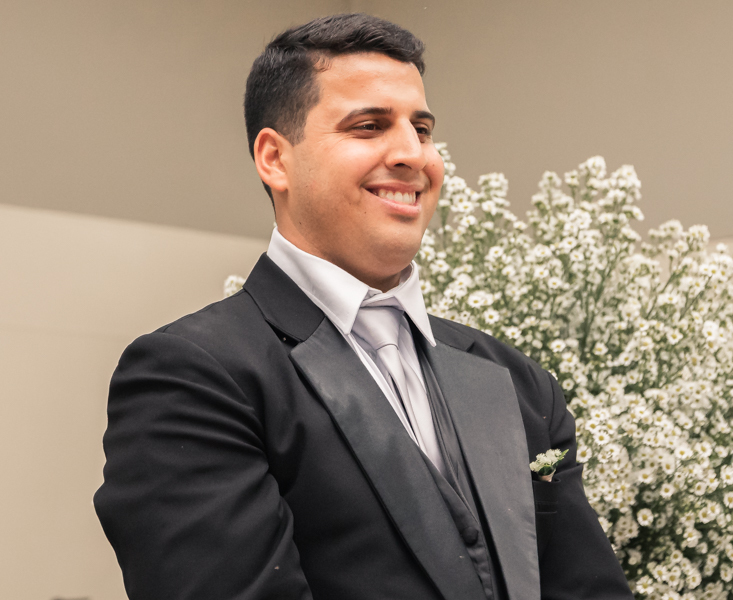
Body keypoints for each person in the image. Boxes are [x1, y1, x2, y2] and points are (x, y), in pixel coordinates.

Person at [95, 13, 633, 600]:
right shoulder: (195, 377)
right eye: (369, 126)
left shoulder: (517, 381)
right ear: (274, 158)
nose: (412, 153)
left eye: (421, 129)